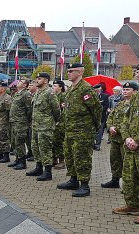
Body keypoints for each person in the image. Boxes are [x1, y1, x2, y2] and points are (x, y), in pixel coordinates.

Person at [113, 62, 139, 224]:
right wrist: (127, 137)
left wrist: (138, 139)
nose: (137, 74)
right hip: (130, 145)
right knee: (129, 177)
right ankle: (132, 205)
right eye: (136, 71)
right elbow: (125, 119)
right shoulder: (137, 96)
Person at [57, 63, 101, 197]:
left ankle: (85, 185)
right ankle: (73, 180)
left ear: (80, 72)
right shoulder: (71, 89)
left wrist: (94, 127)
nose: (68, 73)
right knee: (70, 156)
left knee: (82, 158)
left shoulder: (85, 88)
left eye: (71, 71)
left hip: (83, 131)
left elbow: (96, 109)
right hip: (70, 130)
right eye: (68, 71)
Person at [101, 82, 137, 189]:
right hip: (115, 139)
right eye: (124, 90)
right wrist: (110, 127)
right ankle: (115, 180)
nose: (125, 92)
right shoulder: (121, 104)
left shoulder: (135, 105)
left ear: (135, 91)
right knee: (115, 160)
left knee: (127, 163)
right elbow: (111, 116)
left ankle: (128, 186)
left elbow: (131, 122)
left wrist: (117, 129)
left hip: (126, 139)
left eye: (128, 90)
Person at [26, 73, 60, 181]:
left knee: (45, 148)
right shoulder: (38, 93)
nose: (37, 80)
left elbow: (56, 110)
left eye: (39, 78)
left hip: (45, 126)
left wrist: (52, 122)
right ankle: (38, 167)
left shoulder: (49, 92)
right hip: (36, 125)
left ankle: (48, 172)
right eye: (37, 78)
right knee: (35, 147)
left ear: (46, 81)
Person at [7, 79, 32, 170]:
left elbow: (29, 110)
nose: (18, 82)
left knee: (20, 142)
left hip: (21, 122)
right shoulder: (17, 93)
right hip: (14, 121)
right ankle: (17, 159)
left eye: (21, 81)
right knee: (15, 142)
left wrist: (26, 120)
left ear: (25, 85)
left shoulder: (26, 94)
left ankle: (22, 162)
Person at [52, 80, 67, 169]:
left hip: (60, 122)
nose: (53, 87)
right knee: (53, 141)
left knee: (59, 142)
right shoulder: (53, 96)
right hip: (53, 121)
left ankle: (61, 160)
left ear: (60, 87)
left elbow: (63, 109)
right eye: (53, 86)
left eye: (55, 86)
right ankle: (54, 159)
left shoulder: (63, 96)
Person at [93, 83, 110, 151]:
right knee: (93, 132)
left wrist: (99, 109)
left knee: (99, 133)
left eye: (97, 88)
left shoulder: (105, 96)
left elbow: (106, 106)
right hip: (93, 118)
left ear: (100, 89)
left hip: (101, 117)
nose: (96, 90)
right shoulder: (92, 96)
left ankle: (97, 145)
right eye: (95, 89)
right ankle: (92, 144)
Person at [26, 80, 38, 161]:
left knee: (34, 140)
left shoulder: (36, 95)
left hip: (36, 121)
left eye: (31, 85)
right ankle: (30, 152)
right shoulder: (30, 95)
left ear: (35, 86)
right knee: (28, 138)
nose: (29, 87)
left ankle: (34, 154)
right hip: (29, 120)